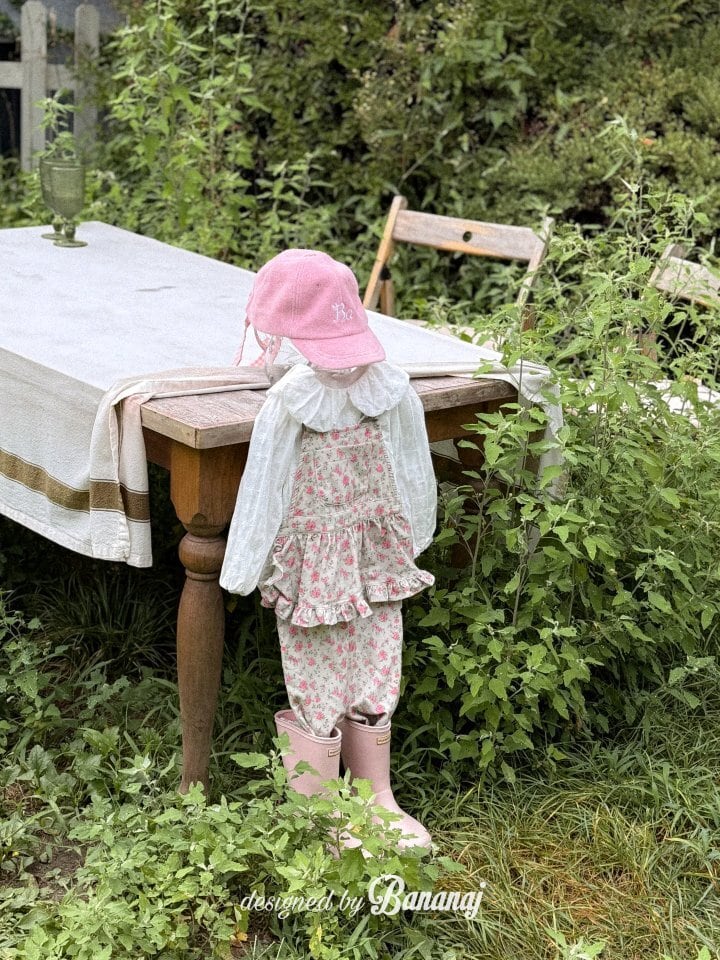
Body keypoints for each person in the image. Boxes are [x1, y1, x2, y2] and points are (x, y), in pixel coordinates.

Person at [219, 249, 436, 848]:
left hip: (374, 553)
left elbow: (413, 469)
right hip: (314, 563)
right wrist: (244, 568)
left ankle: (375, 794)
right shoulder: (293, 401)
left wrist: (410, 542)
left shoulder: (391, 391)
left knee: (377, 657)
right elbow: (264, 486)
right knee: (314, 666)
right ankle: (319, 806)